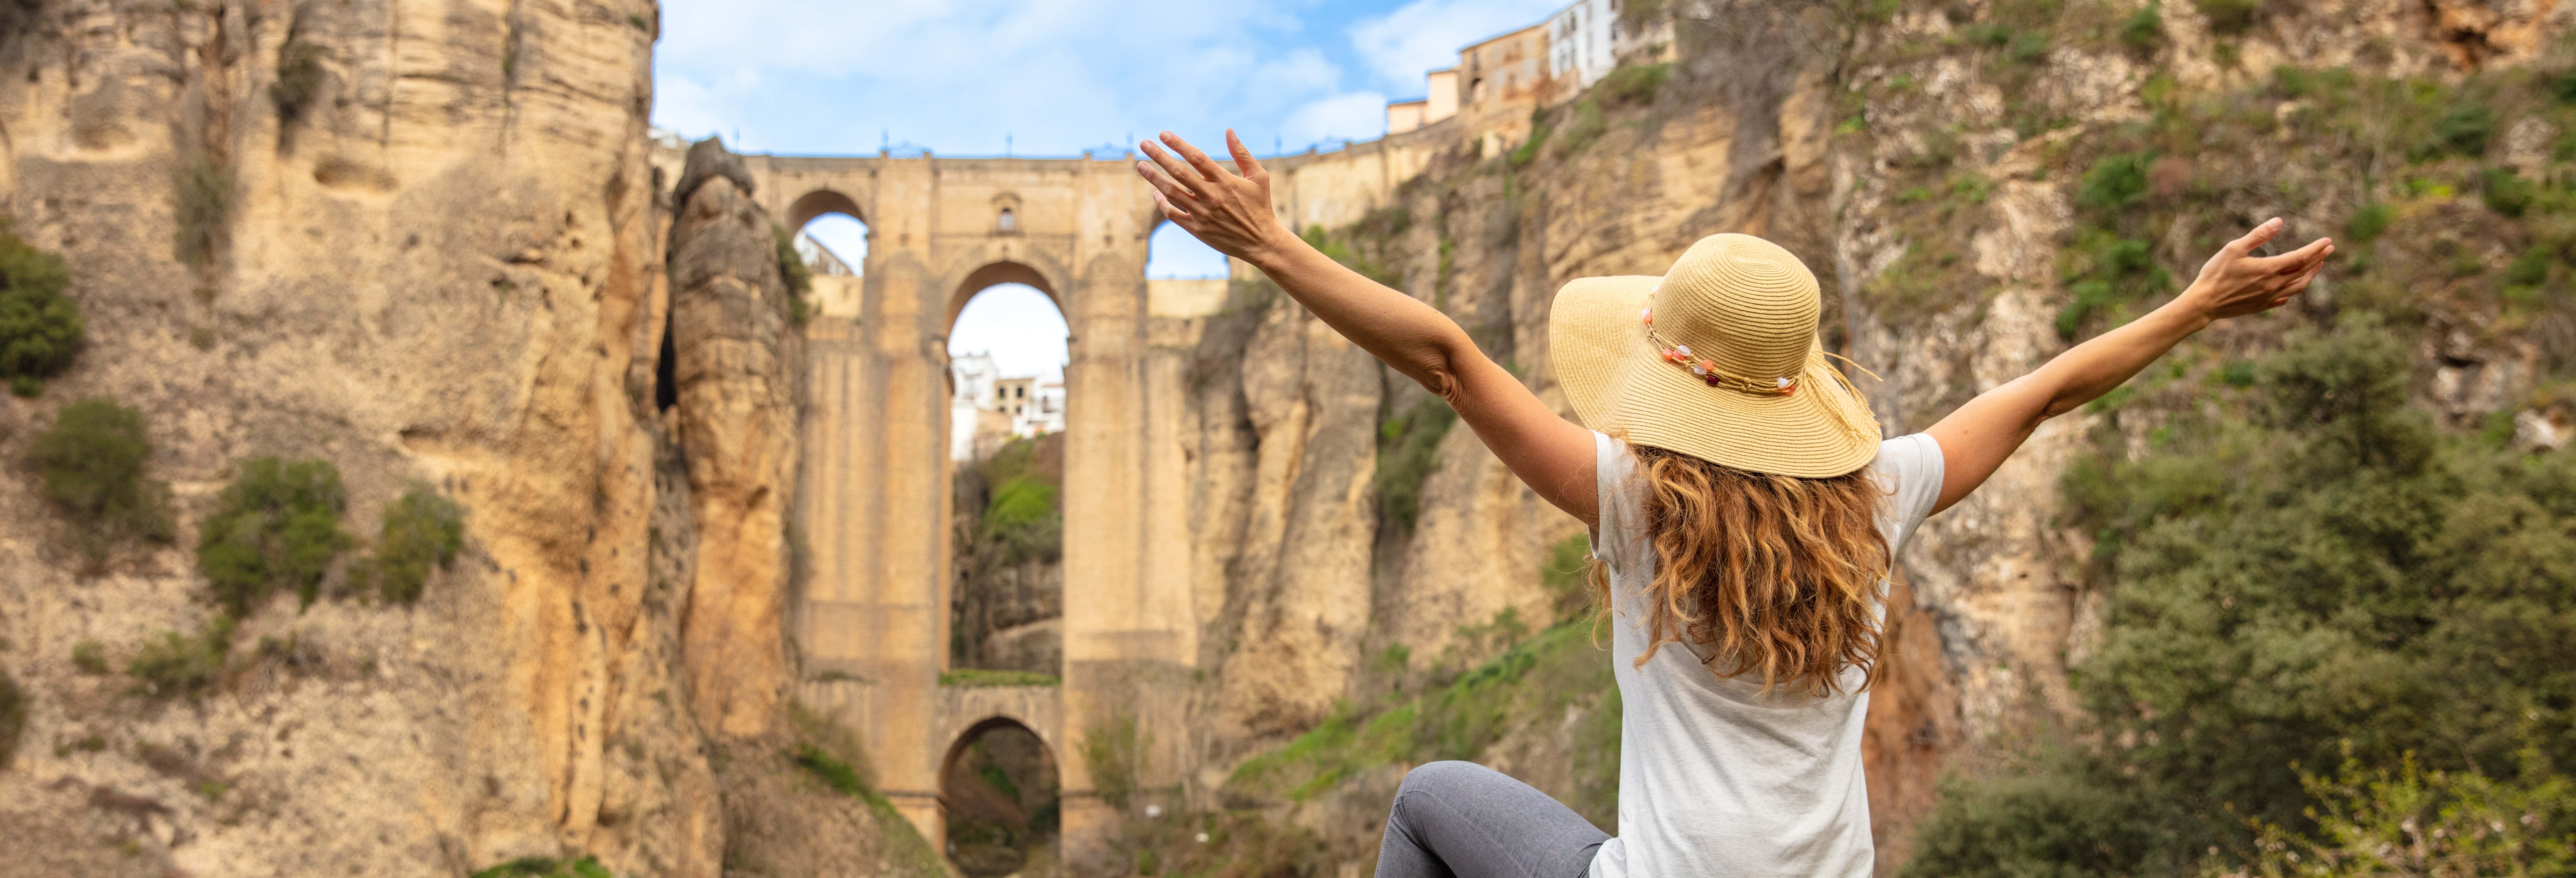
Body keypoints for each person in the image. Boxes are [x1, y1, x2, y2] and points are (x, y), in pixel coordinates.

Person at [1134, 130, 2333, 878]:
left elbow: (1445, 357)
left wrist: (1276, 247)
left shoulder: (1634, 505)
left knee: (1429, 797)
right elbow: (2044, 391)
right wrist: (2194, 308)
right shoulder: (1879, 496)